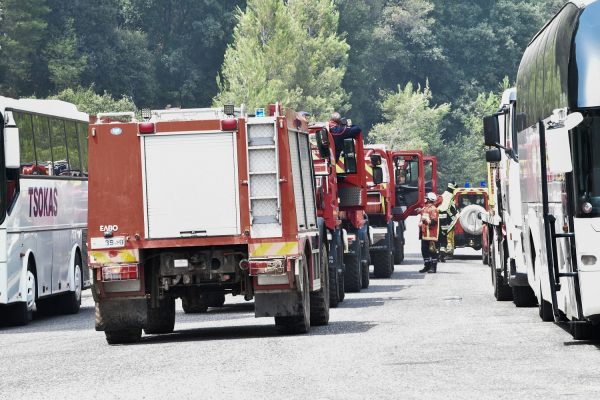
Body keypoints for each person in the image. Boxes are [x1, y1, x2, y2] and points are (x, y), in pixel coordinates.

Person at [418, 192, 440, 273]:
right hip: (424, 234)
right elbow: (423, 216)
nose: (424, 199)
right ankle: (427, 266)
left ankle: (433, 268)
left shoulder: (433, 209)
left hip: (431, 235)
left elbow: (434, 221)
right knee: (424, 251)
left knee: (432, 251)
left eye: (426, 198)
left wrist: (424, 221)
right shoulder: (425, 208)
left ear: (430, 199)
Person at [438, 181, 459, 261]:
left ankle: (449, 254)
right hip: (450, 220)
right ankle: (448, 253)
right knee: (450, 237)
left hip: (448, 220)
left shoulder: (445, 197)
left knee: (449, 237)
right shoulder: (449, 197)